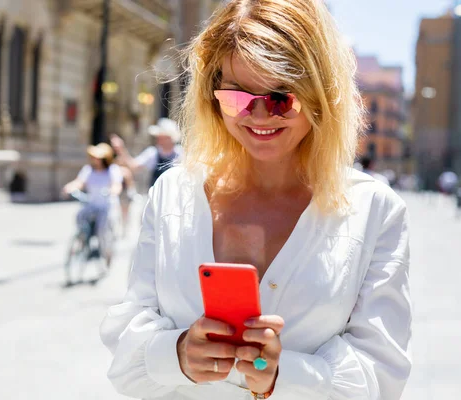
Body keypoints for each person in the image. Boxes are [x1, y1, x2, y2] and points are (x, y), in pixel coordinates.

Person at [100, 1, 412, 400]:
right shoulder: (173, 193)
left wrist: (285, 374)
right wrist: (176, 353)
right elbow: (125, 355)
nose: (260, 115)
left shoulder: (374, 211)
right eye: (237, 99)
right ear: (213, 99)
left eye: (281, 97)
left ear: (320, 95)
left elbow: (382, 377)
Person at [62, 143, 123, 258]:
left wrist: (113, 191)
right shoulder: (88, 170)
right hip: (92, 204)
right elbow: (79, 182)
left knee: (102, 229)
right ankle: (83, 241)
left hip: (106, 206)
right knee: (80, 216)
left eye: (98, 157)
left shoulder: (113, 170)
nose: (95, 160)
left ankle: (105, 251)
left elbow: (117, 185)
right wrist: (69, 187)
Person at [110, 118, 183, 187]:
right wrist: (121, 149)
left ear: (170, 138)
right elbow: (133, 166)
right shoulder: (153, 152)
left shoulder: (181, 153)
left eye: (161, 137)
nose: (158, 140)